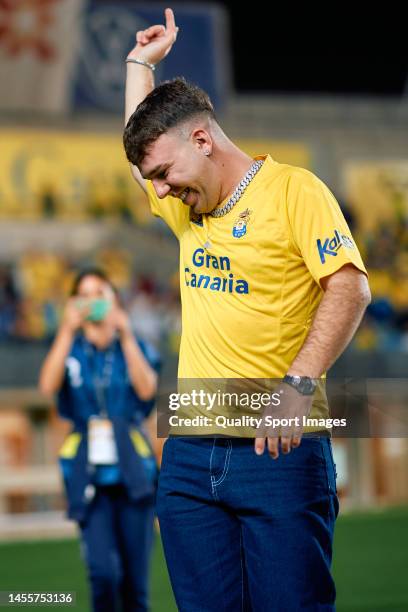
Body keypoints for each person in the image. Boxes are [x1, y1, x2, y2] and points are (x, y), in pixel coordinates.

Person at [123, 8, 371, 611]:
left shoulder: (295, 192)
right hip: (188, 449)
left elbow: (350, 288)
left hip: (278, 448)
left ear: (204, 140)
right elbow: (142, 151)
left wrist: (297, 384)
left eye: (163, 174)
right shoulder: (186, 202)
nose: (156, 191)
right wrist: (139, 65)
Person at [39, 268, 161, 612]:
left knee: (135, 586)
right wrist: (65, 331)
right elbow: (47, 386)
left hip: (132, 470)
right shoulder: (72, 348)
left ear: (115, 301)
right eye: (84, 294)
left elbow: (147, 388)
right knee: (102, 574)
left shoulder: (132, 345)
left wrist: (126, 335)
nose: (92, 301)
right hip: (87, 473)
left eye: (100, 293)